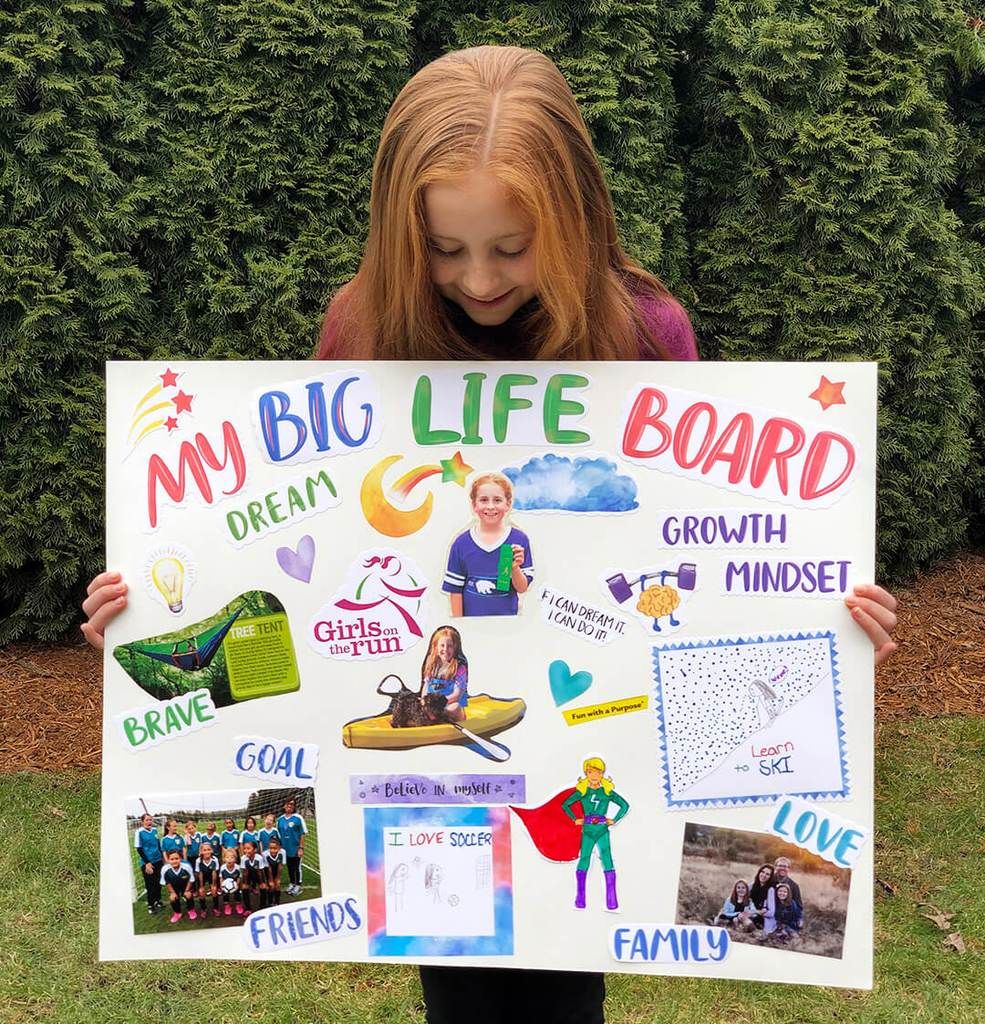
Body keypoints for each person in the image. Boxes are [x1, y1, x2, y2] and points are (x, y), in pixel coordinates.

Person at [81, 42, 900, 1024]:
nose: (477, 279)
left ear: (574, 217)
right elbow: (311, 550)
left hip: (595, 743)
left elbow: (706, 549)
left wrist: (828, 618)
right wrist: (151, 614)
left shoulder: (647, 333)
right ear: (400, 229)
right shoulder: (361, 326)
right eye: (445, 246)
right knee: (463, 982)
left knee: (562, 979)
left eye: (511, 248)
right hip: (430, 790)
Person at [443, 472, 533, 616]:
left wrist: (514, 568)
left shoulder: (518, 540)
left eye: (497, 500)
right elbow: (455, 590)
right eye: (484, 500)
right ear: (474, 504)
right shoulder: (461, 543)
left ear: (508, 504)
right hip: (472, 627)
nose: (490, 506)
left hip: (507, 626)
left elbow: (522, 588)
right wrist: (459, 626)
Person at [561, 757, 630, 913]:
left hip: (602, 829)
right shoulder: (582, 791)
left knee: (607, 860)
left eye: (598, 772)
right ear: (586, 773)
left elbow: (624, 805)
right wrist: (575, 819)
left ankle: (612, 902)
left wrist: (615, 819)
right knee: (584, 859)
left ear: (602, 774)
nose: (594, 775)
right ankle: (580, 900)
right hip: (587, 830)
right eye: (591, 772)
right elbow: (565, 804)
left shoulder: (606, 792)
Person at [420, 625, 469, 721]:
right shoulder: (432, 665)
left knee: (454, 707)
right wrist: (424, 701)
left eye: (450, 646)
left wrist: (439, 704)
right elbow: (426, 687)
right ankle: (433, 717)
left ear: (455, 648)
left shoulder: (459, 668)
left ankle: (441, 717)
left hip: (449, 703)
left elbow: (457, 694)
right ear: (435, 647)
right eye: (442, 645)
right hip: (433, 705)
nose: (445, 649)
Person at [133, 813, 164, 914]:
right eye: (147, 820)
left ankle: (158, 901)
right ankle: (151, 905)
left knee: (158, 883)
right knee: (150, 885)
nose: (149, 822)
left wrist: (162, 858)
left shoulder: (155, 830)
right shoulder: (139, 832)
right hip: (148, 863)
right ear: (142, 821)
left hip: (158, 860)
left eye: (150, 820)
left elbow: (158, 845)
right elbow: (139, 849)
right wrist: (147, 863)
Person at [277, 798, 308, 897]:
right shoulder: (280, 819)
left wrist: (301, 848)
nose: (289, 805)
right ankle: (292, 883)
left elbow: (302, 834)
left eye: (292, 804)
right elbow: (278, 834)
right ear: (284, 806)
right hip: (285, 849)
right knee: (290, 867)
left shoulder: (298, 818)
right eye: (287, 804)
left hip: (296, 848)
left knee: (297, 867)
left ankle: (298, 885)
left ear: (294, 806)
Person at [161, 849, 196, 924]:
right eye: (172, 859)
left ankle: (191, 910)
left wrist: (187, 890)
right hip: (173, 887)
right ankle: (177, 913)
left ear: (180, 858)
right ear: (168, 860)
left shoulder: (186, 866)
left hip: (185, 885)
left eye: (176, 858)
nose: (174, 861)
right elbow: (167, 883)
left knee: (188, 895)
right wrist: (172, 892)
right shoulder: (165, 869)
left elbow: (191, 879)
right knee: (172, 898)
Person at [195, 841, 221, 918]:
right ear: (201, 852)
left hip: (211, 875)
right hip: (202, 876)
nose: (207, 852)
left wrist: (213, 884)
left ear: (212, 850)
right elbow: (200, 873)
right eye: (204, 850)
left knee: (214, 890)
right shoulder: (198, 860)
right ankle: (203, 909)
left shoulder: (215, 859)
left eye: (209, 849)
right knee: (201, 892)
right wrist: (201, 886)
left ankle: (216, 908)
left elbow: (214, 873)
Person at [239, 840, 266, 915]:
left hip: (257, 874)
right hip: (248, 874)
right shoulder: (243, 858)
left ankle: (262, 906)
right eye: (245, 848)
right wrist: (245, 883)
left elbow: (260, 872)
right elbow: (245, 872)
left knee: (263, 887)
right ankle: (248, 908)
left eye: (248, 848)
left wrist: (261, 883)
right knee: (244, 887)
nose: (246, 850)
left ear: (255, 850)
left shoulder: (259, 858)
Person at [748, 863, 775, 929]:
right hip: (750, 914)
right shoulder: (751, 886)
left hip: (762, 918)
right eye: (762, 872)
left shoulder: (770, 890)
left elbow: (771, 913)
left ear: (770, 877)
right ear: (759, 872)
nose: (764, 875)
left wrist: (757, 913)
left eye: (767, 874)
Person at [218, 847, 244, 917]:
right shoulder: (223, 867)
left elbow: (239, 877)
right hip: (225, 884)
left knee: (237, 893)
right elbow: (221, 877)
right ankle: (227, 905)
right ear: (224, 859)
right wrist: (221, 885)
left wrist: (237, 885)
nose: (229, 859)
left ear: (235, 859)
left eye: (232, 857)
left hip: (235, 884)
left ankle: (238, 904)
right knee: (225, 894)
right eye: (227, 857)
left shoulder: (237, 867)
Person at [264, 835, 287, 905]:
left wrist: (278, 878)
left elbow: (280, 866)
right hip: (268, 871)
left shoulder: (282, 852)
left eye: (275, 848)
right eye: (271, 848)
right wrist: (270, 880)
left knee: (277, 885)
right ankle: (270, 902)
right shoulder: (265, 854)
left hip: (277, 869)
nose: (272, 850)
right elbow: (268, 868)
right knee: (271, 886)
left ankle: (277, 902)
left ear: (279, 848)